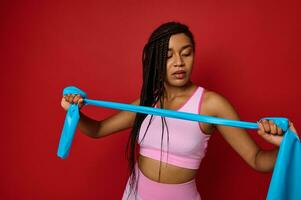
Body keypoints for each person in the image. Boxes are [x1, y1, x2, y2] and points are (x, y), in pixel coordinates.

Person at [60, 22, 298, 200]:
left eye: (186, 53)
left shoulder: (211, 104)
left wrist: (284, 146)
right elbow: (98, 129)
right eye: (168, 56)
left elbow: (257, 160)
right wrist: (74, 110)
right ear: (155, 61)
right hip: (135, 195)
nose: (179, 63)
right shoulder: (147, 102)